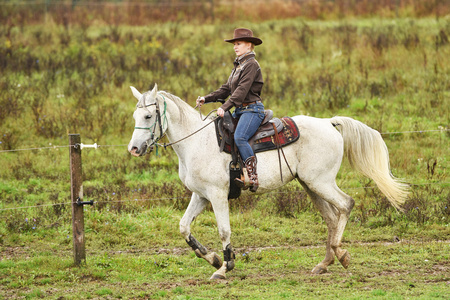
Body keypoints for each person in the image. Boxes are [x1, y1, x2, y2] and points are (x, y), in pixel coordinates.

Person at [196, 28, 265, 192]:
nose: (235, 47)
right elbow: (227, 89)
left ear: (249, 45)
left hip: (252, 110)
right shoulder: (239, 65)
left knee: (240, 137)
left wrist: (224, 107)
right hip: (241, 110)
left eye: (239, 44)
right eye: (234, 44)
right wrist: (207, 98)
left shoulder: (251, 65)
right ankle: (233, 171)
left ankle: (252, 176)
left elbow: (241, 91)